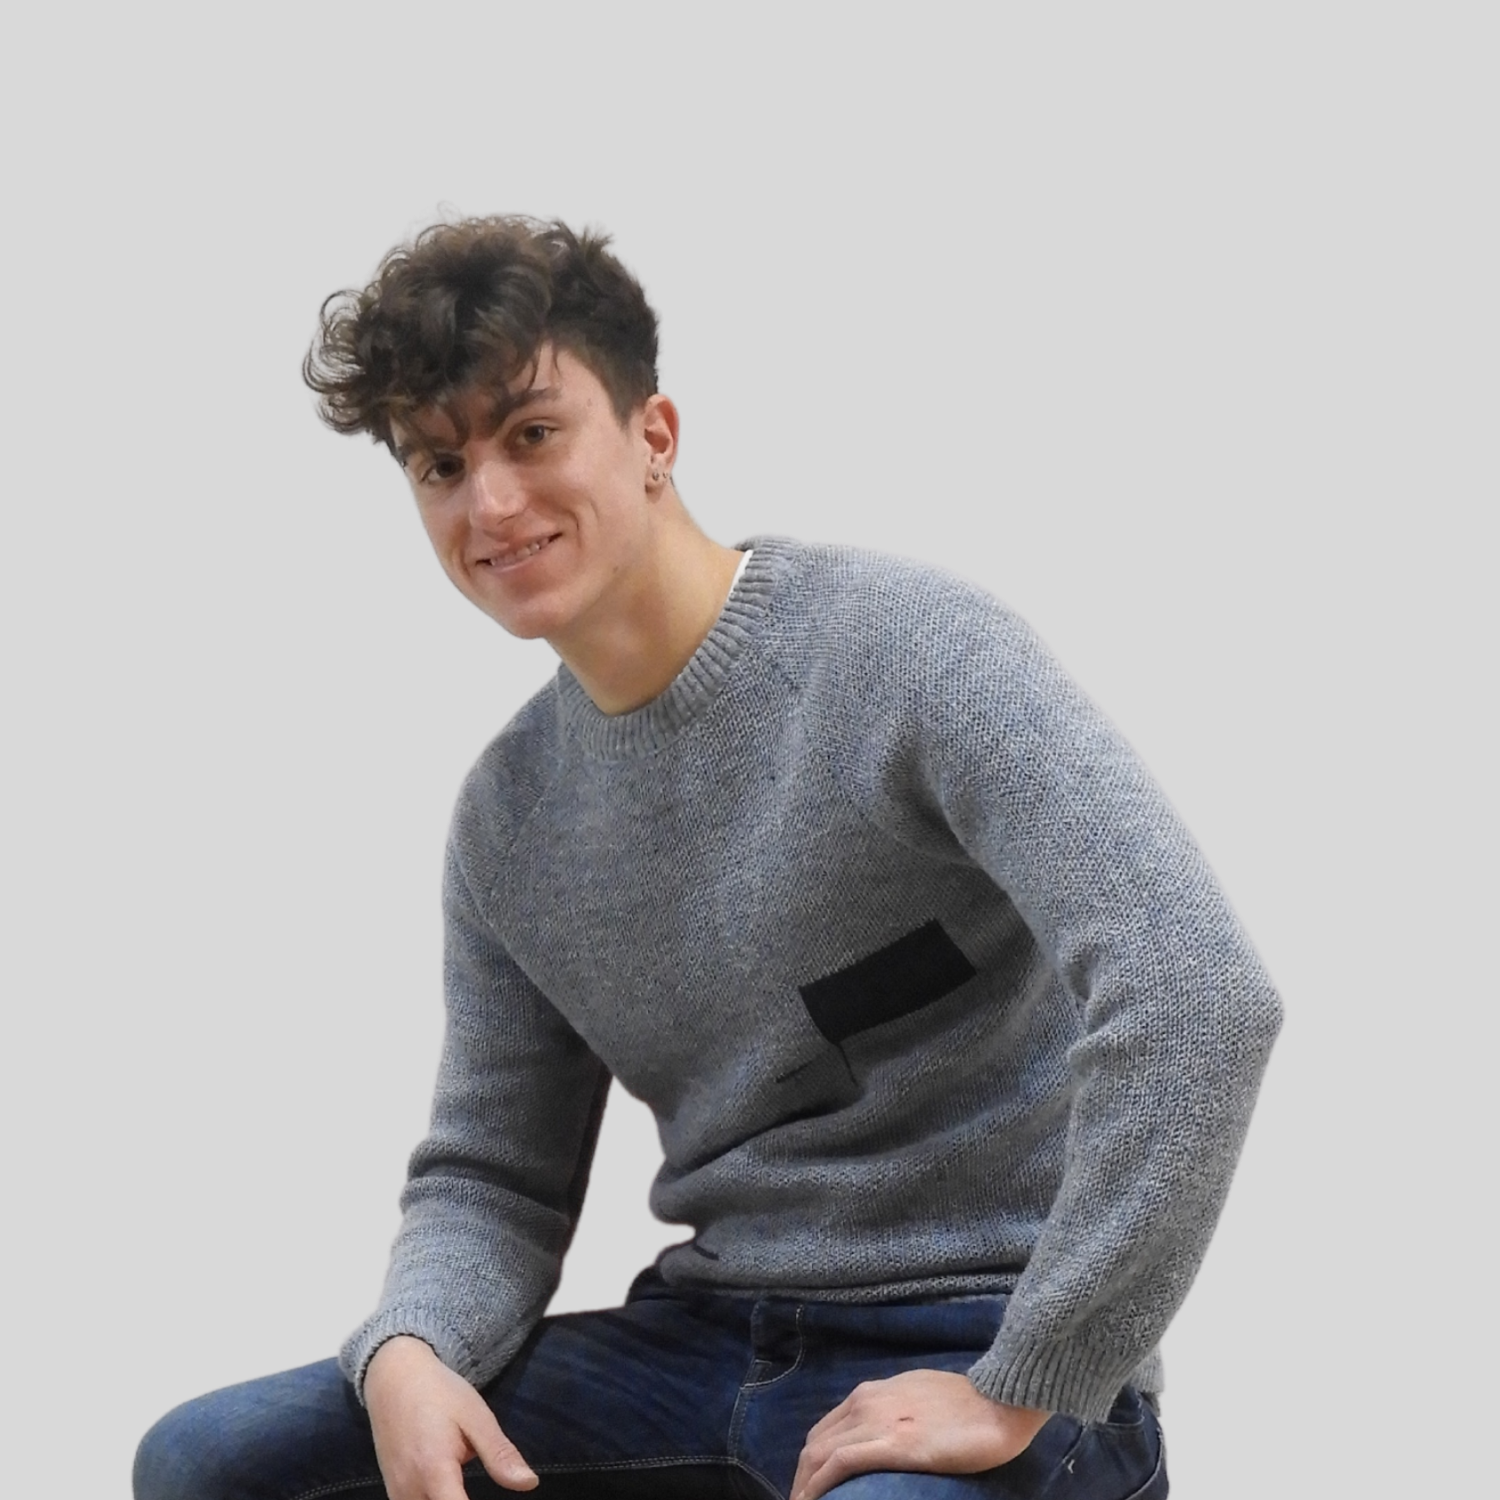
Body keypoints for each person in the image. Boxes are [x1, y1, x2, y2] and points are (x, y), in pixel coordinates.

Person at [134, 217, 1281, 1500]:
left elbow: (1198, 993)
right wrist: (412, 1344)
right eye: (441, 465)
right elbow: (494, 1176)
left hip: (979, 1331)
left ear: (655, 438)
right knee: (206, 1464)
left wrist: (1035, 1375)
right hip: (703, 1345)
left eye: (531, 434)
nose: (490, 503)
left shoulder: (909, 654)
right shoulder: (509, 818)